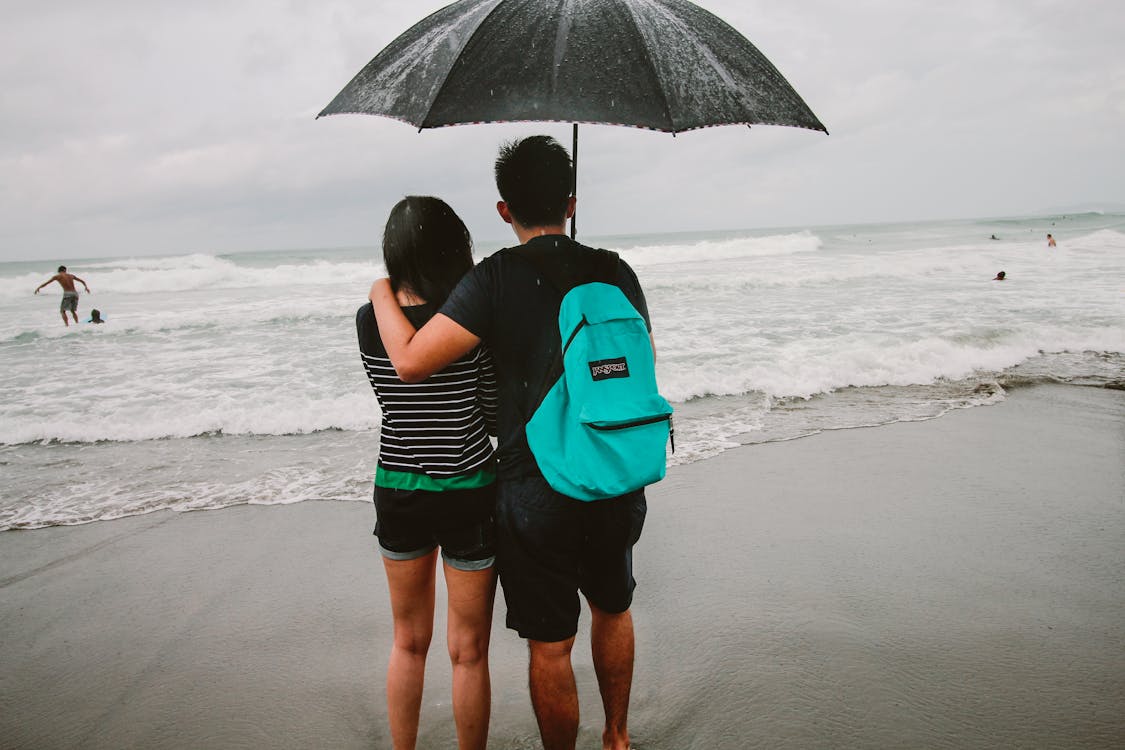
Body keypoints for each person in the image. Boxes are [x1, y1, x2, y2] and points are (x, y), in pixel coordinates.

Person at [370, 136, 652, 750]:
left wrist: (376, 291)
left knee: (552, 645)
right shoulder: (616, 270)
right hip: (612, 469)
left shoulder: (495, 277)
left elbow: (414, 360)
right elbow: (634, 367)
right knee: (614, 608)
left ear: (504, 210)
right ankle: (619, 739)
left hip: (536, 488)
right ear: (571, 202)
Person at [357, 196, 499, 750]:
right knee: (468, 651)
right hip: (468, 489)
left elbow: (387, 395)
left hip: (398, 487)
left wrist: (376, 288)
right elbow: (488, 412)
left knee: (407, 642)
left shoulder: (372, 319)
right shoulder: (468, 320)